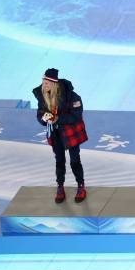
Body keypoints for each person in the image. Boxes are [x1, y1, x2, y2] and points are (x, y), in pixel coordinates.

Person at [33, 68, 88, 203]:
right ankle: (60, 186)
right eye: (43, 82)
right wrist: (44, 119)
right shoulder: (42, 95)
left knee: (75, 160)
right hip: (56, 133)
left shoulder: (72, 96)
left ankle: (81, 186)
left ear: (54, 84)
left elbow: (76, 116)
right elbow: (40, 113)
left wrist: (57, 118)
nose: (43, 85)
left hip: (71, 133)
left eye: (46, 83)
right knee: (59, 161)